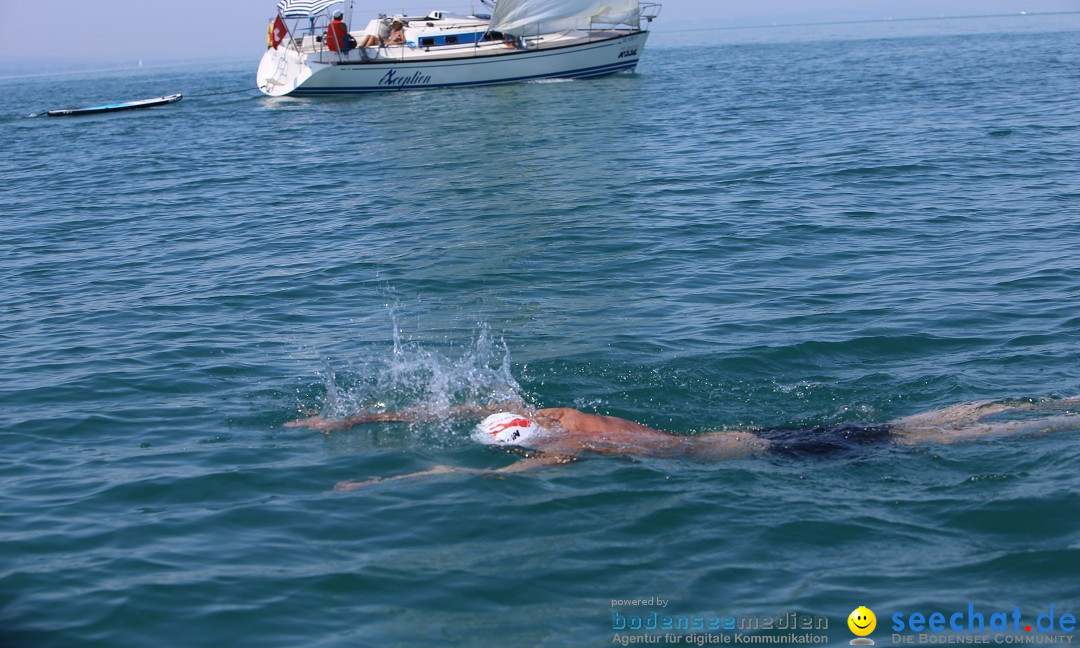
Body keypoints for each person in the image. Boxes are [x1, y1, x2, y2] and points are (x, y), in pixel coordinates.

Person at [285, 396, 1080, 489]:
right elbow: (451, 406)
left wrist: (381, 483)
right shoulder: (567, 418)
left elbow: (477, 478)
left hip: (766, 455)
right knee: (911, 425)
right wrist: (354, 420)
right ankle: (1050, 404)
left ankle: (1057, 423)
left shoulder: (569, 450)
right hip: (763, 433)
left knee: (907, 444)